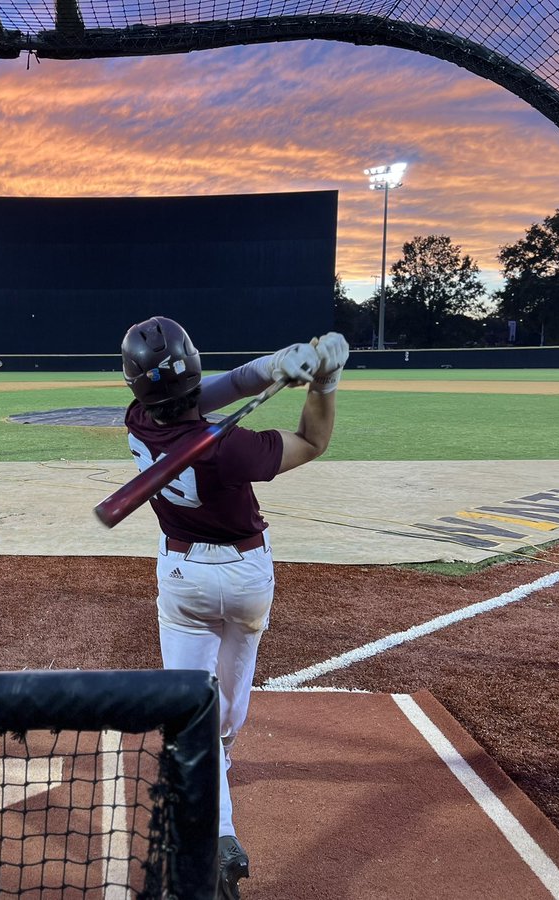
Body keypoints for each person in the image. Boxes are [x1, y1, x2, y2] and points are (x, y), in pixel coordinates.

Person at [119, 316, 348, 900]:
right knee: (222, 718)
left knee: (188, 707)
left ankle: (214, 826)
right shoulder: (232, 449)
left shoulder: (138, 422)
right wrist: (324, 384)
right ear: (193, 364)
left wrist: (274, 367)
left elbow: (203, 392)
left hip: (182, 575)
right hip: (246, 576)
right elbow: (315, 442)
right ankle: (219, 759)